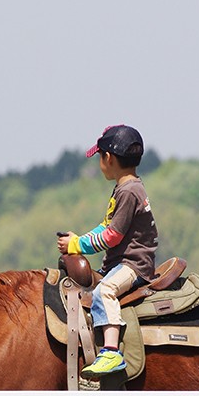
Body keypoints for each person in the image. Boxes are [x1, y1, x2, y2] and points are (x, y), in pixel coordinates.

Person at [57, 124, 159, 378]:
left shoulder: (129, 191)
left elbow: (112, 236)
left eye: (100, 157)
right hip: (122, 260)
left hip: (133, 264)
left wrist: (77, 246)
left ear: (109, 158)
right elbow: (106, 225)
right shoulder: (126, 187)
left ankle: (112, 351)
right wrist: (79, 239)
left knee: (106, 290)